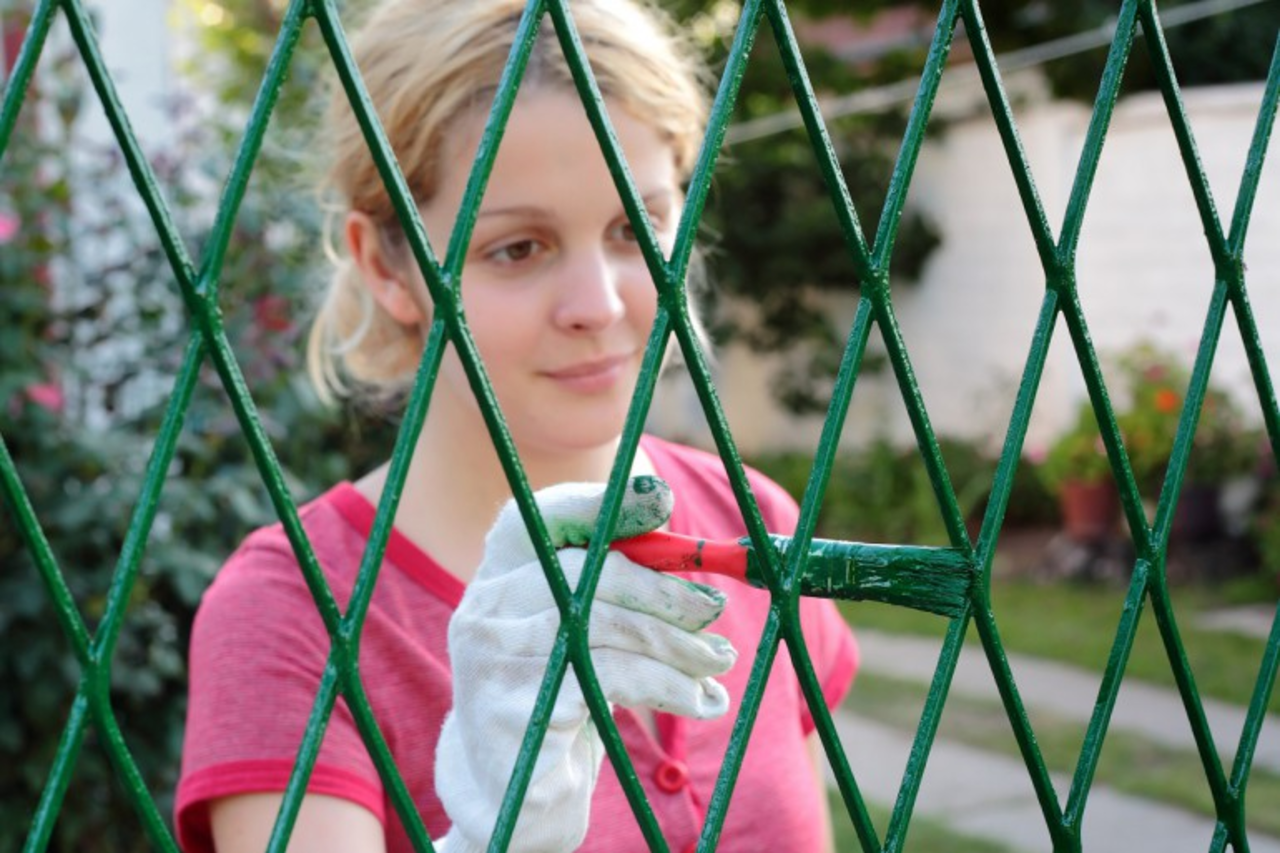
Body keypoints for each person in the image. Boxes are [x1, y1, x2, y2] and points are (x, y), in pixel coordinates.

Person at [175, 0, 858, 851]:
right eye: (518, 248)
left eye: (634, 226)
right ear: (385, 265)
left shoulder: (752, 521)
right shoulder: (291, 614)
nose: (598, 304)